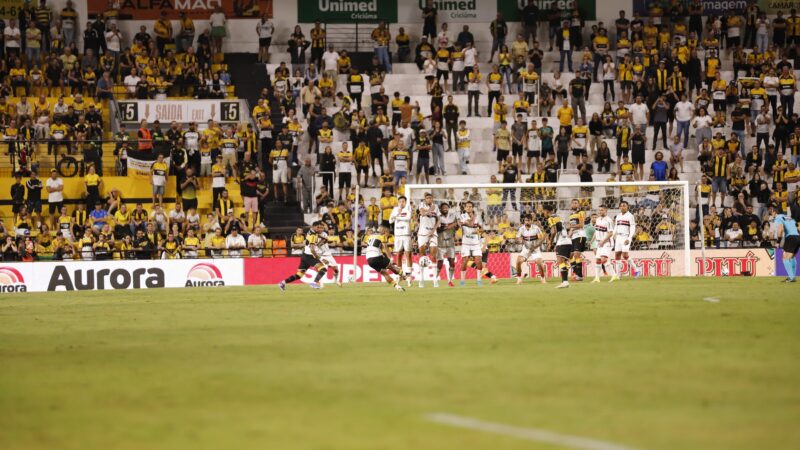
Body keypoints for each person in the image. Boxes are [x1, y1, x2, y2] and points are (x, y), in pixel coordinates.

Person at [279, 221, 326, 291]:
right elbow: (312, 249)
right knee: (323, 269)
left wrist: (322, 239)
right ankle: (314, 283)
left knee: (299, 275)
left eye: (319, 227)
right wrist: (317, 256)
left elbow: (319, 237)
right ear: (313, 227)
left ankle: (283, 283)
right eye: (317, 227)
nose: (319, 229)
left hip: (304, 256)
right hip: (310, 256)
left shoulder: (310, 232)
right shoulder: (313, 235)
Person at [365, 225, 406, 291]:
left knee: (384, 273)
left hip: (369, 259)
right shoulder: (382, 236)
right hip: (376, 256)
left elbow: (367, 244)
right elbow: (385, 247)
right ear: (382, 230)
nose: (385, 232)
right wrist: (390, 258)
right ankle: (404, 276)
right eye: (384, 230)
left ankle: (397, 287)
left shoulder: (370, 236)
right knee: (391, 267)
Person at [544, 203, 572, 289]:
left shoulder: (551, 218)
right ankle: (565, 281)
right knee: (564, 262)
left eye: (543, 211)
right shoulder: (558, 217)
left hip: (562, 241)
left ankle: (565, 282)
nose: (543, 213)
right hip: (567, 240)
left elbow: (553, 231)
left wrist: (550, 242)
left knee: (560, 261)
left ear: (546, 211)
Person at [458, 201, 485, 286]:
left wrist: (479, 230)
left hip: (476, 243)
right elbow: (467, 223)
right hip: (466, 243)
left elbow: (481, 229)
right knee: (464, 261)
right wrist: (473, 224)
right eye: (467, 207)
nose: (469, 208)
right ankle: (462, 281)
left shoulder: (478, 217)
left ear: (472, 208)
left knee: (479, 261)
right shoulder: (462, 216)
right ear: (465, 208)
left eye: (470, 206)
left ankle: (479, 280)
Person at [610, 200, 638, 280]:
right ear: (619, 207)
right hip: (618, 237)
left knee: (625, 255)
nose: (622, 207)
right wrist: (612, 236)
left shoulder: (630, 216)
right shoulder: (618, 216)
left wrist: (629, 238)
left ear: (627, 207)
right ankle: (618, 275)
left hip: (626, 237)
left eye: (624, 205)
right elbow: (616, 227)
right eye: (621, 205)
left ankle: (636, 270)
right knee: (617, 255)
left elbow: (633, 227)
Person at [417, 193, 440, 288]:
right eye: (427, 198)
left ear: (432, 198)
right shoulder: (421, 205)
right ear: (425, 199)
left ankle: (435, 279)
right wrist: (430, 209)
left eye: (430, 198)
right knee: (422, 256)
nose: (429, 199)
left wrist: (433, 231)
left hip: (433, 233)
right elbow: (422, 213)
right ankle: (421, 279)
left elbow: (438, 220)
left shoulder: (437, 207)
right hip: (422, 233)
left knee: (433, 255)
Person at [515, 214, 546, 284]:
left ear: (531, 221)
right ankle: (519, 278)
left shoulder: (536, 228)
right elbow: (517, 238)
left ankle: (543, 278)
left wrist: (535, 246)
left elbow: (541, 239)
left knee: (539, 263)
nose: (527, 222)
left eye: (528, 220)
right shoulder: (521, 229)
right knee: (518, 261)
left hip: (535, 249)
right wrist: (520, 240)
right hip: (526, 249)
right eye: (526, 220)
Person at [389, 195, 413, 282]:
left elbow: (408, 218)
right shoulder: (395, 210)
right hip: (398, 235)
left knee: (408, 254)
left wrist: (396, 217)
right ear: (398, 202)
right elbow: (390, 221)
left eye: (403, 201)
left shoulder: (408, 209)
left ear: (405, 202)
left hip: (406, 234)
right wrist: (396, 214)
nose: (401, 203)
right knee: (398, 254)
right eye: (400, 201)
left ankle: (409, 275)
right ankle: (399, 275)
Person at [592, 206, 617, 282]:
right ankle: (597, 278)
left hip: (607, 242)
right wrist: (592, 241)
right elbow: (596, 231)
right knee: (598, 260)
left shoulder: (608, 220)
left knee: (603, 259)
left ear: (606, 210)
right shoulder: (598, 219)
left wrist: (603, 241)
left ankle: (614, 275)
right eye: (599, 210)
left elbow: (610, 233)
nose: (600, 211)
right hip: (599, 242)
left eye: (602, 210)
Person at [775, 212, 799, 282]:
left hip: (790, 237)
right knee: (792, 257)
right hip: (798, 237)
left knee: (785, 258)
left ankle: (791, 278)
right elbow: (798, 227)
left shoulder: (778, 217)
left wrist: (778, 242)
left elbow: (781, 229)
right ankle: (793, 277)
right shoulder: (791, 218)